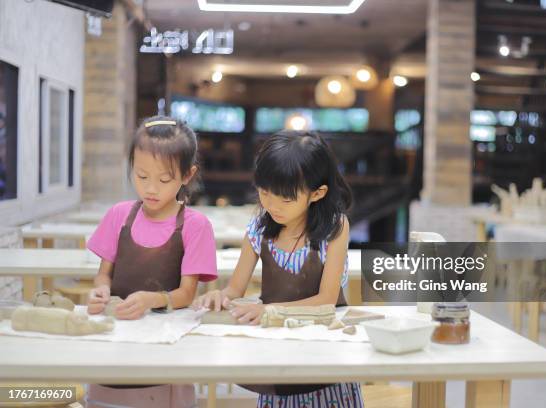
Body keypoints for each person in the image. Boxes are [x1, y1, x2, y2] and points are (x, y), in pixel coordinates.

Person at [193, 131, 364, 407]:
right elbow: (235, 288)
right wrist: (220, 297)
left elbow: (326, 301)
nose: (272, 206)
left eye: (286, 199)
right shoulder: (260, 227)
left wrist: (269, 310)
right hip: (277, 347)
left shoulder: (335, 227)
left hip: (323, 347)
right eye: (264, 193)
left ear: (317, 193)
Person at [86, 115, 217, 408]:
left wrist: (151, 299)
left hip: (166, 343)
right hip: (117, 334)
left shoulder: (195, 226)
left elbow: (186, 295)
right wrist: (100, 291)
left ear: (187, 175)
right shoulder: (119, 215)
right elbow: (104, 275)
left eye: (164, 179)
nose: (151, 189)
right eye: (141, 176)